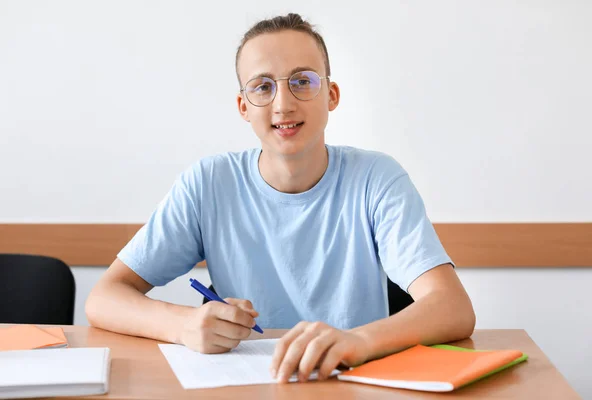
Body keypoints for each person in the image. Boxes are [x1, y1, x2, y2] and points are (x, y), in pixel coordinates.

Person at [86, 13, 476, 384]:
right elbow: (104, 298)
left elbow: (453, 306)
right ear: (243, 106)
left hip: (352, 383)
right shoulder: (208, 184)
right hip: (247, 385)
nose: (283, 104)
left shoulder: (377, 179)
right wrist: (183, 325)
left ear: (332, 95)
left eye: (302, 81)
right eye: (262, 86)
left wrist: (359, 341)